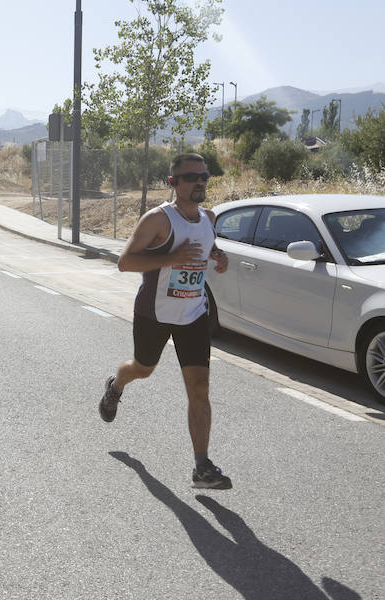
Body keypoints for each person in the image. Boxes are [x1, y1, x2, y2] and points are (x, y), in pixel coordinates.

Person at [98, 152, 232, 490]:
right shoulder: (157, 220)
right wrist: (170, 257)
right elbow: (125, 262)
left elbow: (204, 248)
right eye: (191, 177)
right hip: (154, 315)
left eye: (204, 175)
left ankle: (202, 467)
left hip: (194, 314)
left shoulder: (209, 218)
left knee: (200, 387)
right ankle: (116, 385)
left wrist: (216, 256)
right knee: (143, 369)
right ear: (173, 183)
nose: (200, 181)